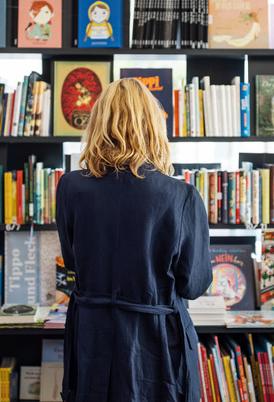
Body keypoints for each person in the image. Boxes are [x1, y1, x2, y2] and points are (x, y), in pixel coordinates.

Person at [56, 78, 212, 402]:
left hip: (91, 339)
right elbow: (193, 285)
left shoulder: (70, 187)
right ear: (153, 126)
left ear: (99, 122)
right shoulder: (181, 195)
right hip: (156, 347)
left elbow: (74, 263)